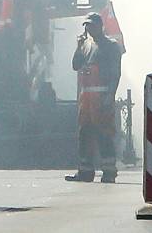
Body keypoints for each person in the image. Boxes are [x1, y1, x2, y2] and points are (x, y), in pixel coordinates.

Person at [65, 12, 123, 183]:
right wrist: (78, 46)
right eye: (87, 26)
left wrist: (110, 95)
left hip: (102, 96)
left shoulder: (111, 46)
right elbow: (76, 65)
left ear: (100, 26)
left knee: (104, 133)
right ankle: (85, 172)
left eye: (92, 25)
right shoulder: (85, 46)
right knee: (84, 134)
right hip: (86, 98)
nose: (89, 29)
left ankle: (109, 172)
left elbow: (115, 73)